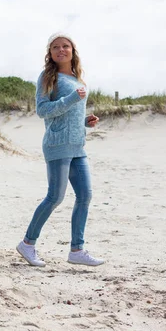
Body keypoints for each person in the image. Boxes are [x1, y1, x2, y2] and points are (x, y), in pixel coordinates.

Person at [16, 32, 104, 267]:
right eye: (56, 47)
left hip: (78, 147)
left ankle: (77, 250)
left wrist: (85, 122)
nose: (61, 50)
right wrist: (72, 99)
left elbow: (68, 115)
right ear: (50, 53)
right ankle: (27, 244)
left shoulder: (77, 79)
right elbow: (43, 110)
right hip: (57, 145)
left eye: (65, 46)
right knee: (55, 197)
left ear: (72, 51)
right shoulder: (48, 77)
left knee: (85, 196)